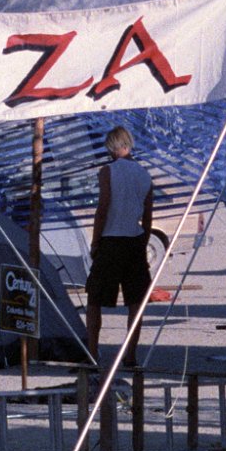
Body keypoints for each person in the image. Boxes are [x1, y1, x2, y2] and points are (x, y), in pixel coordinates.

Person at [86, 126, 154, 368]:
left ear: (114, 147)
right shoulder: (144, 174)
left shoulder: (108, 171)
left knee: (94, 298)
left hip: (111, 240)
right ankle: (130, 353)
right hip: (134, 240)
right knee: (135, 301)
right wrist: (144, 240)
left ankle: (92, 351)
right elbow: (148, 214)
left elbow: (103, 207)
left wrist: (95, 240)